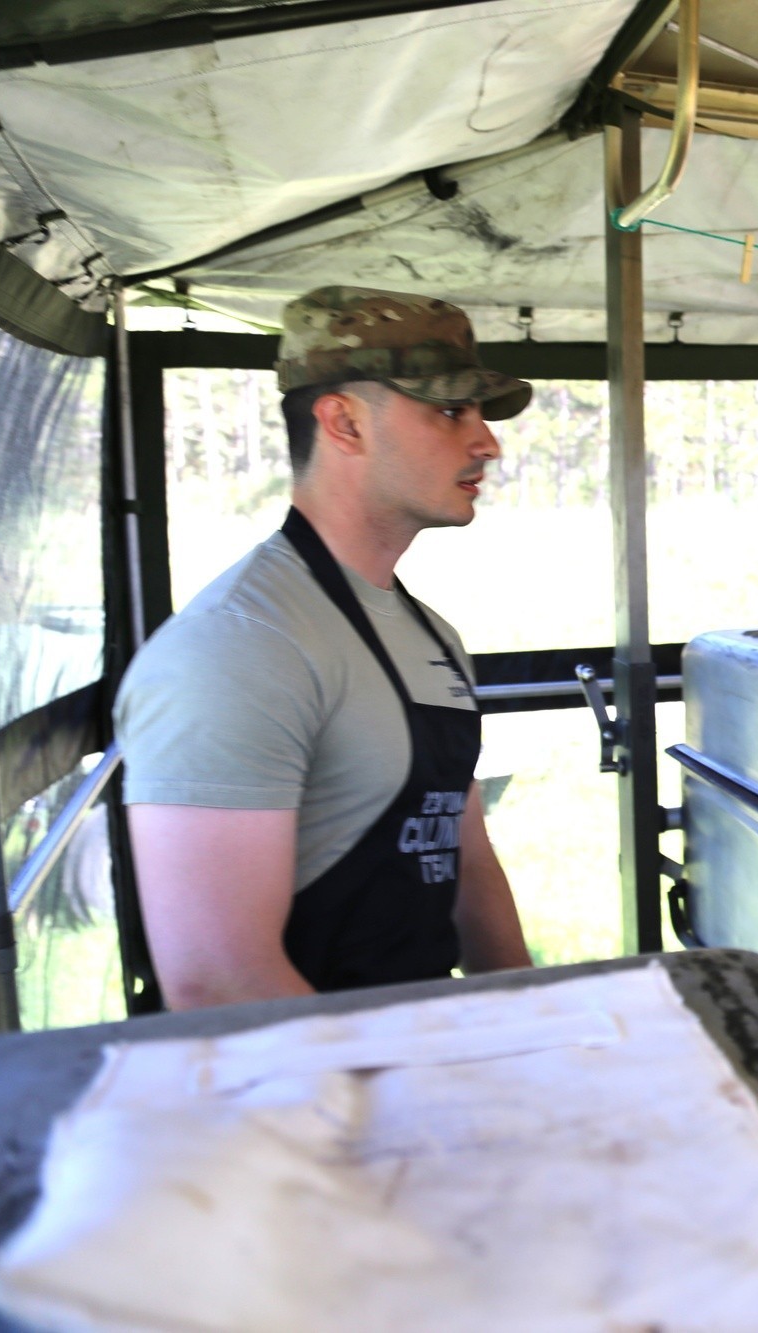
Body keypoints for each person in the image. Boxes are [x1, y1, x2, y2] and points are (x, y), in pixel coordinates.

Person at [115, 286, 535, 1009]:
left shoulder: (434, 635)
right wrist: (381, 1105)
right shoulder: (239, 649)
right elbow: (218, 982)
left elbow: (465, 861)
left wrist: (537, 1022)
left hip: (417, 1050)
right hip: (296, 1099)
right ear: (343, 422)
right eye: (449, 410)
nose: (486, 441)